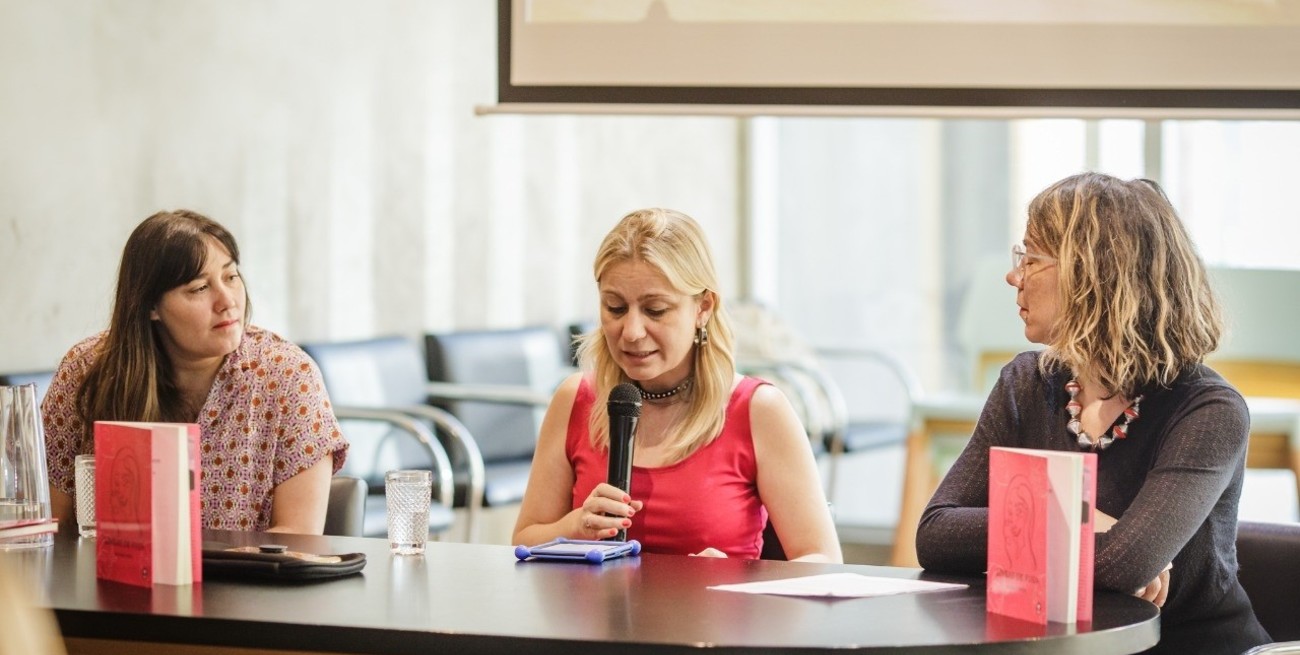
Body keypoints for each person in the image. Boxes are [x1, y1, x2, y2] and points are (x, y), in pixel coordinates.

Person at [915, 173, 1270, 654]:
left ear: (1094, 275)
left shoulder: (1209, 412)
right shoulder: (1025, 384)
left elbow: (1125, 566)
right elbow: (935, 533)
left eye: (1032, 259)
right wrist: (1093, 523)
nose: (1013, 276)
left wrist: (1043, 525)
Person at [513, 208, 841, 562]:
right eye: (616, 308)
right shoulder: (575, 399)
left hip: (715, 618)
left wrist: (738, 575)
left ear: (703, 307)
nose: (632, 332)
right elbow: (524, 539)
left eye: (655, 310)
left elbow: (821, 561)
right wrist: (575, 527)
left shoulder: (759, 411)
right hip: (593, 617)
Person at [42, 210, 348, 534]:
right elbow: (51, 530)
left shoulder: (287, 376)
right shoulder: (87, 371)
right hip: (106, 583)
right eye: (199, 288)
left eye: (231, 277)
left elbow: (298, 538)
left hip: (247, 584)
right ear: (151, 306)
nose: (227, 301)